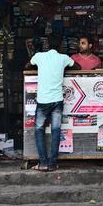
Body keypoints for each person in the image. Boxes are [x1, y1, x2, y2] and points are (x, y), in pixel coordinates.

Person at [30, 35, 74, 172]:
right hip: (57, 101)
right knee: (56, 131)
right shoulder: (63, 58)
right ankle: (52, 163)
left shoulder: (39, 56)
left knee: (39, 130)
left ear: (47, 44)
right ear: (61, 45)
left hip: (43, 100)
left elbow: (28, 64)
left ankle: (43, 162)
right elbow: (77, 65)